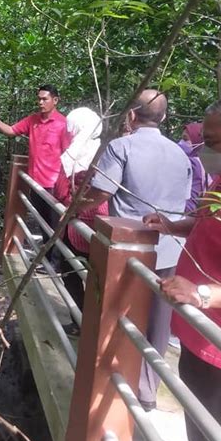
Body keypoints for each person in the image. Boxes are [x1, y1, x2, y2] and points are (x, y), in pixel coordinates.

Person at [75, 89, 192, 410]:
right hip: (170, 251)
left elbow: (101, 193)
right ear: (164, 118)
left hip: (127, 252)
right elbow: (181, 205)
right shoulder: (181, 155)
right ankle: (147, 391)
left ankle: (110, 382)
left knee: (117, 314)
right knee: (157, 322)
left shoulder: (121, 147)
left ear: (130, 116)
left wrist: (73, 208)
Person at [144, 96, 221, 441]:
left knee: (219, 439)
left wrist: (202, 295)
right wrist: (171, 225)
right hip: (197, 336)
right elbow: (203, 221)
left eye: (212, 142)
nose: (204, 149)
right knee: (198, 428)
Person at [0, 84, 71, 262]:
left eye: (45, 99)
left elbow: (69, 155)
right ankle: (47, 259)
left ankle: (55, 264)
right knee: (42, 223)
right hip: (35, 182)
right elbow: (11, 130)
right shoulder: (33, 120)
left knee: (55, 226)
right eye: (39, 99)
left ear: (55, 100)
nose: (41, 102)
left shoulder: (63, 124)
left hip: (54, 185)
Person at [53, 107, 108, 320]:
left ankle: (81, 320)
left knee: (70, 270)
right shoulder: (107, 150)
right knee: (98, 277)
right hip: (104, 220)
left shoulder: (73, 154)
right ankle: (95, 322)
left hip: (78, 220)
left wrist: (69, 205)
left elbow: (60, 190)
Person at [178, 121, 208, 211]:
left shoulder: (192, 163)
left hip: (187, 213)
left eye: (185, 139)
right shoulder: (208, 161)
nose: (181, 142)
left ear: (199, 140)